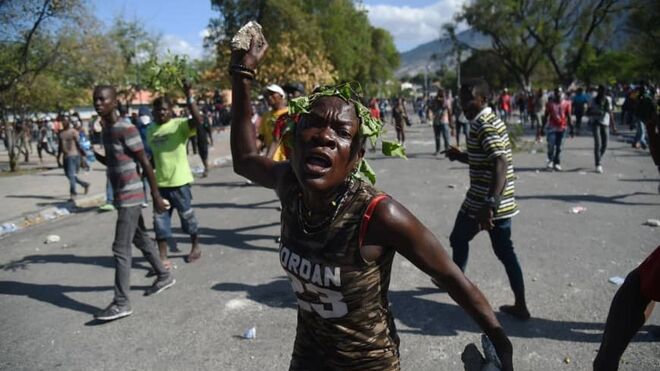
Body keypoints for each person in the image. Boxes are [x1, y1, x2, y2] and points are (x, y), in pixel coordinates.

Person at [229, 31, 514, 371]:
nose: (324, 136)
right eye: (314, 125)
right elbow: (245, 158)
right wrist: (241, 73)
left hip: (367, 363)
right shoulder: (288, 184)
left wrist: (501, 346)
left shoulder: (377, 213)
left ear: (356, 157)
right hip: (308, 355)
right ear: (293, 140)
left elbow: (451, 277)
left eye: (342, 133)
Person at [443, 78, 530, 322]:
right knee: (502, 251)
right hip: (488, 199)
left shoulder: (485, 124)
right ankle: (520, 305)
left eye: (468, 98)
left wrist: (490, 203)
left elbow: (500, 162)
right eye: (461, 99)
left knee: (460, 238)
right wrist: (460, 156)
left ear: (483, 99)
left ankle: (456, 283)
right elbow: (485, 158)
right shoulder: (484, 121)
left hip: (486, 202)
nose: (463, 105)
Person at [91, 85, 175, 321]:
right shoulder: (106, 129)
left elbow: (145, 162)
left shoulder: (126, 128)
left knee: (120, 247)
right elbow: (115, 159)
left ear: (114, 102)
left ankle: (121, 302)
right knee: (140, 237)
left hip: (131, 195)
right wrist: (96, 156)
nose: (98, 103)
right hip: (120, 195)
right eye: (95, 100)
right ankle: (163, 275)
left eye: (102, 99)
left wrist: (157, 196)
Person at [147, 82, 202, 267]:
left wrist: (189, 96)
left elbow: (198, 120)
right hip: (160, 186)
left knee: (187, 218)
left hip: (180, 183)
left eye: (164, 110)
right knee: (160, 222)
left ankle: (195, 245)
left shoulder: (179, 126)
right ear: (153, 112)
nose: (161, 113)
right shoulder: (150, 130)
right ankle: (163, 258)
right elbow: (152, 156)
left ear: (171, 110)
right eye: (158, 110)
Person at [539, 87, 573, 171]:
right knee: (551, 145)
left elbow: (568, 116)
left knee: (559, 146)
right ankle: (550, 160)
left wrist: (572, 128)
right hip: (552, 127)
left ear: (562, 93)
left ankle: (557, 162)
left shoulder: (566, 103)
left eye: (559, 92)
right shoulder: (550, 104)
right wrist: (542, 128)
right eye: (556, 92)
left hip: (562, 127)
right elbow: (546, 116)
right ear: (554, 93)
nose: (558, 94)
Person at [57, 117, 90, 199]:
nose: (64, 123)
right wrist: (58, 157)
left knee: (71, 175)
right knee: (69, 175)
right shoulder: (61, 134)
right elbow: (60, 147)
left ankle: (73, 193)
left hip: (73, 155)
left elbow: (79, 143)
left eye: (65, 122)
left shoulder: (73, 132)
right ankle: (84, 184)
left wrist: (83, 152)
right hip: (67, 156)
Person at [587, 85, 614, 174]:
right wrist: (596, 112)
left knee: (605, 144)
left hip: (605, 123)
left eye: (604, 91)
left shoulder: (608, 100)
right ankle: (598, 164)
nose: (602, 92)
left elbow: (610, 112)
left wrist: (613, 126)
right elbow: (588, 112)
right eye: (600, 91)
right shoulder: (593, 100)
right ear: (598, 91)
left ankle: (599, 157)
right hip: (595, 123)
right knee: (598, 143)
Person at [259, 84, 288, 158]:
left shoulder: (290, 113)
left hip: (287, 160)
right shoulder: (266, 116)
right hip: (272, 159)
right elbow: (261, 137)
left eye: (272, 94)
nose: (269, 97)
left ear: (281, 96)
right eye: (267, 95)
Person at [428, 90, 452, 155]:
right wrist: (430, 118)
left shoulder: (446, 101)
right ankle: (438, 150)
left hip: (444, 121)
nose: (441, 97)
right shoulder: (434, 101)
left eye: (442, 95)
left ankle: (447, 150)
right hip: (436, 121)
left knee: (446, 137)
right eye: (440, 95)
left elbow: (449, 112)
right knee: (437, 137)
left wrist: (451, 122)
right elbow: (429, 109)